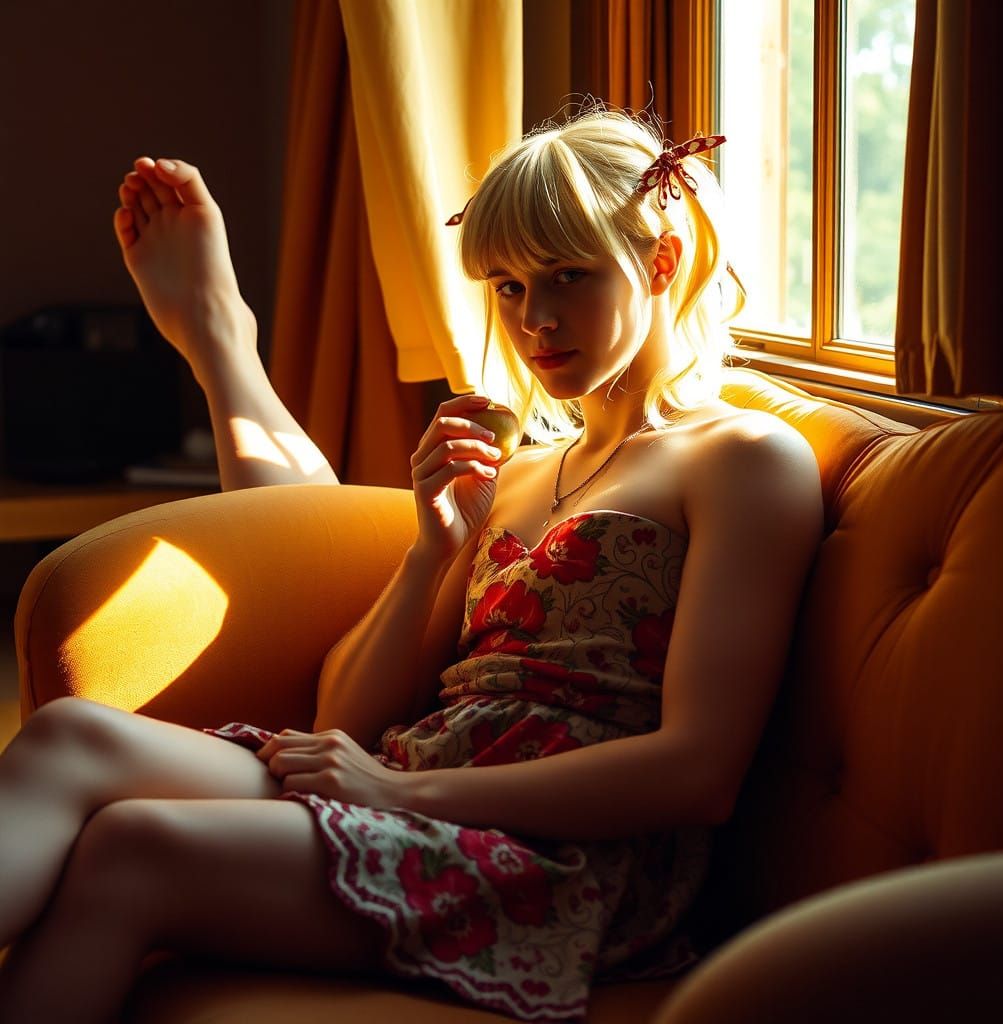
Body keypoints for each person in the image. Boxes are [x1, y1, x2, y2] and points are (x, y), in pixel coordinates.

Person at [0, 107, 822, 1022]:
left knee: (133, 845)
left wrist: (401, 790)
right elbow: (343, 715)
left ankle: (225, 348)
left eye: (567, 277)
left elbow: (698, 771)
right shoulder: (515, 474)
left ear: (662, 263)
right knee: (71, 735)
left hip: (563, 858)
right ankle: (224, 347)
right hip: (420, 780)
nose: (535, 322)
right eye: (508, 288)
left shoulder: (745, 459)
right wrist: (434, 549)